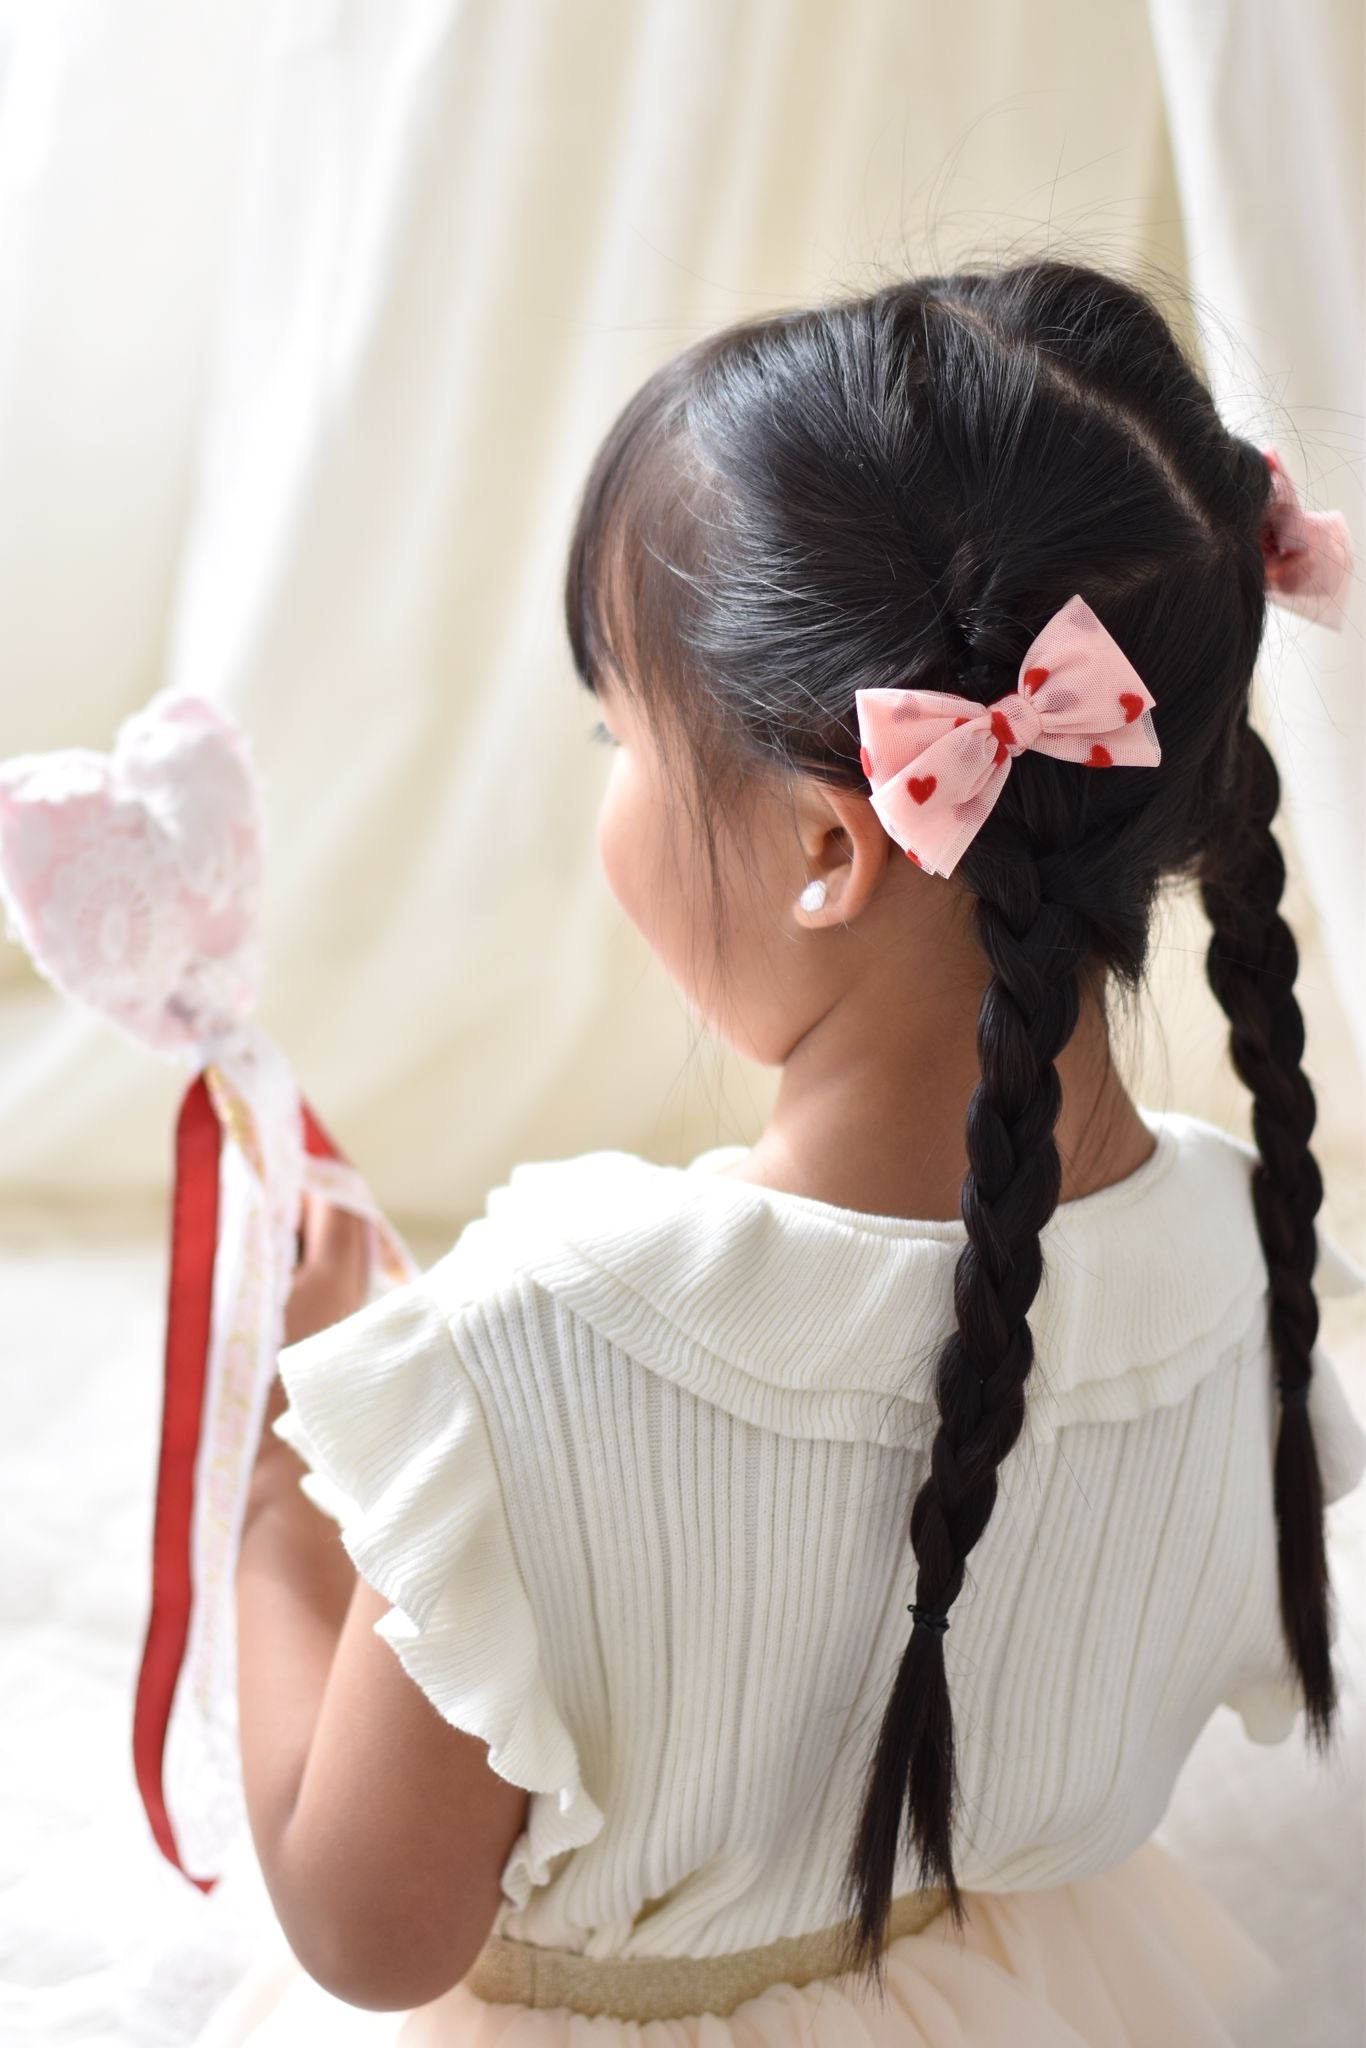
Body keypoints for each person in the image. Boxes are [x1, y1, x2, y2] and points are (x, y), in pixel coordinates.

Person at [205, 256, 1364, 2046]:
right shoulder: (1246, 1260)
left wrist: (296, 1513)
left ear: (835, 849)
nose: (605, 779)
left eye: (619, 733)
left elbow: (370, 1932)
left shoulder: (542, 1343)